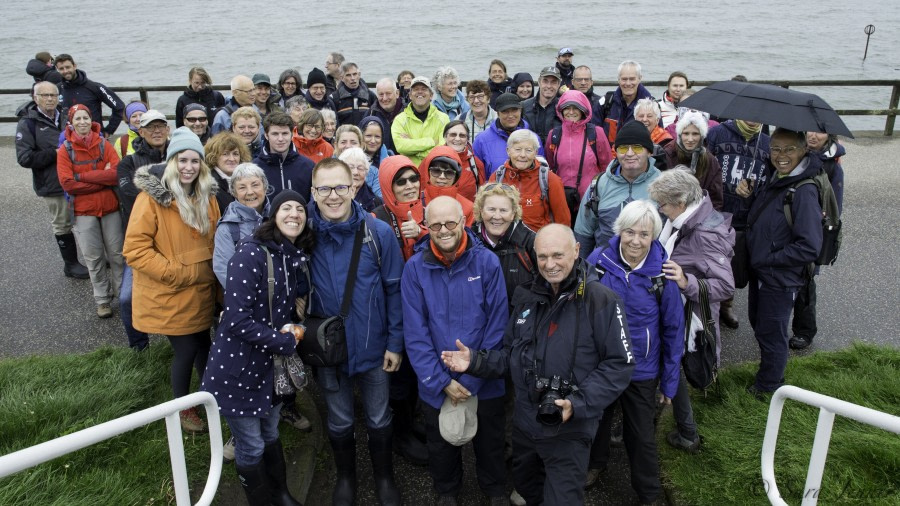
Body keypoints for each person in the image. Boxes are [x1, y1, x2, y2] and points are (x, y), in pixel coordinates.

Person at [441, 224, 634, 505]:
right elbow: (510, 356)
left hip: (570, 429)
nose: (550, 264)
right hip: (526, 424)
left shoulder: (602, 300)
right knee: (527, 489)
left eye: (558, 255)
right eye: (542, 257)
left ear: (577, 251)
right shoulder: (525, 296)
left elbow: (620, 364)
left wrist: (578, 403)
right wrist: (475, 361)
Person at [201, 189, 311, 506]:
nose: (294, 214)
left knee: (271, 434)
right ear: (273, 215)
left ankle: (281, 495)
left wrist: (295, 326)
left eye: (300, 209)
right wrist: (286, 341)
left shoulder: (289, 254)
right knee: (251, 446)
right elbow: (235, 319)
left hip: (270, 367)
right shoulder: (250, 253)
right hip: (239, 368)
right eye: (286, 208)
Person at [308, 158, 404, 506]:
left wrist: (395, 342)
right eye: (324, 188)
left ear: (353, 188)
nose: (333, 196)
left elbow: (395, 289)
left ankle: (384, 478)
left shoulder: (377, 233)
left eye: (340, 187)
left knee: (379, 415)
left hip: (374, 346)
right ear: (313, 191)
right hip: (328, 350)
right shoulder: (302, 233)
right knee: (339, 418)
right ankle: (346, 478)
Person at [401, 196, 508, 505]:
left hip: (484, 376)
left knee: (490, 443)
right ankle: (447, 491)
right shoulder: (415, 269)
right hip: (437, 381)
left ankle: (494, 490)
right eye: (435, 224)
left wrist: (472, 376)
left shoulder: (487, 262)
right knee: (441, 447)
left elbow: (497, 325)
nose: (444, 230)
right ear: (427, 226)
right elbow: (415, 333)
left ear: (464, 222)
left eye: (451, 223)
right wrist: (442, 382)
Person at [584, 200, 684, 504]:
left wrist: (669, 382)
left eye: (644, 234)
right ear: (619, 231)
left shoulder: (662, 273)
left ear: (653, 235)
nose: (636, 241)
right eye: (630, 232)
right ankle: (594, 465)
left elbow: (673, 330)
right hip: (603, 366)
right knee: (596, 422)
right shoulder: (598, 260)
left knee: (640, 436)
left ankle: (649, 493)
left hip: (642, 369)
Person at [123, 127, 220, 433]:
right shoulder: (151, 200)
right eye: (182, 160)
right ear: (171, 162)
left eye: (194, 161)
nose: (188, 167)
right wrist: (176, 273)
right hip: (170, 292)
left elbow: (215, 241)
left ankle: (210, 398)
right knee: (187, 350)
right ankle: (182, 407)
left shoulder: (208, 197)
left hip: (202, 290)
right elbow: (135, 250)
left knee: (205, 345)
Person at [649, 169, 735, 453]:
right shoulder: (689, 220)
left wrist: (687, 282)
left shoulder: (704, 235)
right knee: (672, 365)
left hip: (690, 317)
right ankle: (685, 431)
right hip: (679, 311)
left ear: (681, 202)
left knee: (675, 365)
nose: (660, 210)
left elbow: (725, 286)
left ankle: (686, 432)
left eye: (663, 204)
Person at [740, 129, 822, 399]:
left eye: (789, 149)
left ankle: (769, 386)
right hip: (762, 271)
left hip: (778, 278)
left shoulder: (804, 190)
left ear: (803, 151)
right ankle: (769, 376)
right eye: (775, 149)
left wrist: (771, 260)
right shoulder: (778, 177)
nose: (781, 155)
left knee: (772, 333)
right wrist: (750, 195)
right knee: (760, 324)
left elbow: (809, 246)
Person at [56, 104, 124, 319]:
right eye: (78, 119)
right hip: (84, 212)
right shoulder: (65, 150)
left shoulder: (104, 144)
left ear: (91, 120)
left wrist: (82, 177)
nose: (83, 122)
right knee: (93, 258)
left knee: (117, 254)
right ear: (71, 122)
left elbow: (115, 174)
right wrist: (99, 177)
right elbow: (67, 184)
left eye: (86, 117)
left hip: (110, 208)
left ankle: (123, 295)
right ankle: (102, 300)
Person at [16, 81, 89, 279]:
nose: (50, 99)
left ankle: (93, 258)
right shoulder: (28, 123)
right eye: (45, 95)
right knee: (63, 223)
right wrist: (56, 153)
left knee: (85, 218)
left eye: (53, 95)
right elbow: (24, 158)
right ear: (35, 97)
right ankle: (71, 265)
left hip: (77, 179)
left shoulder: (66, 116)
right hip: (52, 184)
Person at [706, 118, 770, 329]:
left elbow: (770, 182)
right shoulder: (718, 134)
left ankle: (726, 303)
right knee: (712, 260)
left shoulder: (766, 142)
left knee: (734, 264)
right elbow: (703, 167)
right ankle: (708, 304)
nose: (752, 120)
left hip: (747, 216)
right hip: (717, 210)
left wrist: (755, 191)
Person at [789, 132, 846, 350]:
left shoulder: (832, 167)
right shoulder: (795, 154)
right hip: (788, 226)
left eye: (819, 132)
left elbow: (835, 207)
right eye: (809, 131)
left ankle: (804, 331)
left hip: (813, 231)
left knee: (805, 281)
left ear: (829, 135)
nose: (813, 136)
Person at [574, 120, 662, 256]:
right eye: (623, 148)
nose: (630, 153)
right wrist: (582, 271)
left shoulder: (663, 185)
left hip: (648, 269)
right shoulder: (599, 184)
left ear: (649, 152)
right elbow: (583, 232)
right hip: (604, 268)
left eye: (637, 148)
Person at [545, 89, 613, 217]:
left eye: (575, 108)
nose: (571, 112)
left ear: (583, 110)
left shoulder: (596, 133)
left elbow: (607, 168)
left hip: (590, 201)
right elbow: (550, 166)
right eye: (567, 108)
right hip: (562, 199)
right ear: (561, 110)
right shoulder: (554, 135)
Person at [487, 129, 570, 230]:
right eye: (517, 149)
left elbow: (563, 221)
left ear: (535, 152)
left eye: (528, 150)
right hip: (504, 241)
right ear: (508, 151)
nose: (522, 155)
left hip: (538, 242)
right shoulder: (497, 177)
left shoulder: (550, 180)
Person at [471, 183, 536, 308]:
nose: (497, 216)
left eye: (503, 210)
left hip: (520, 321)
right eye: (491, 209)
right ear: (481, 211)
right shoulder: (468, 242)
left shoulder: (530, 242)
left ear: (513, 214)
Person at [662, 110, 724, 210]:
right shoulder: (668, 154)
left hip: (700, 216)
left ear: (702, 136)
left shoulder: (709, 160)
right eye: (686, 133)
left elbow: (715, 199)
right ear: (679, 134)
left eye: (695, 134)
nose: (690, 139)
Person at [55, 54, 124, 138]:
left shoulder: (94, 87)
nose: (65, 71)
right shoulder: (56, 89)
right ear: (57, 69)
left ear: (74, 66)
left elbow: (119, 107)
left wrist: (109, 130)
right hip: (68, 139)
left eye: (68, 67)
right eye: (61, 69)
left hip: (94, 138)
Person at [473, 93, 542, 177]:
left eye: (514, 110)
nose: (510, 115)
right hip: (495, 189)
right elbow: (476, 176)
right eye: (505, 111)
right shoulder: (481, 140)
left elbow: (540, 170)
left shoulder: (534, 139)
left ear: (520, 111)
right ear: (497, 113)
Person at [374, 155, 428, 261]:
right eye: (401, 182)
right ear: (388, 187)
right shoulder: (375, 218)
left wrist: (420, 233)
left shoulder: (431, 211)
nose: (410, 186)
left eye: (414, 179)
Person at [253, 111, 314, 201]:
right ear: (266, 135)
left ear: (292, 134)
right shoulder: (254, 168)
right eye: (275, 134)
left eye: (285, 133)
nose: (280, 139)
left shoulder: (308, 167)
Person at [391, 76, 450, 166]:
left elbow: (442, 150)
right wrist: (432, 142)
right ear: (410, 95)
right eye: (416, 89)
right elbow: (401, 147)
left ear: (431, 95)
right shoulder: (399, 120)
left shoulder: (444, 119)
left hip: (435, 170)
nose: (420, 92)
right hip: (410, 172)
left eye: (424, 89)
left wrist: (413, 148)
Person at [599, 60, 654, 144]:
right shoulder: (605, 102)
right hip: (608, 155)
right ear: (618, 80)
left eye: (632, 79)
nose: (628, 83)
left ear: (640, 79)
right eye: (624, 79)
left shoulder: (652, 106)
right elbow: (594, 135)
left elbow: (657, 137)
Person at [419, 146, 475, 226]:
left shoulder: (468, 208)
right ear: (428, 173)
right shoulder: (416, 203)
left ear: (456, 177)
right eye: (436, 171)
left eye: (449, 173)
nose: (442, 176)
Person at [205, 131, 252, 215]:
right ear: (214, 157)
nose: (232, 159)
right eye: (225, 154)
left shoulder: (247, 179)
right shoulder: (209, 185)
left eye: (235, 154)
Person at [522, 66, 562, 151]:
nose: (549, 86)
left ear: (559, 84)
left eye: (553, 82)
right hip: (529, 157)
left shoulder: (564, 108)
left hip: (555, 156)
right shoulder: (523, 107)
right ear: (539, 82)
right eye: (545, 81)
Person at [442, 120, 485, 201]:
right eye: (453, 135)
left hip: (467, 212)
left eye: (462, 135)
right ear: (445, 137)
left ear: (467, 139)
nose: (457, 139)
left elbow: (481, 195)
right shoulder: (432, 160)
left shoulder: (476, 164)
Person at [330, 62, 376, 127]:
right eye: (348, 75)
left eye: (355, 74)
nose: (352, 78)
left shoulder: (370, 96)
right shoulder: (334, 98)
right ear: (342, 78)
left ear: (359, 75)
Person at [339, 147, 383, 212]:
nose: (356, 172)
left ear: (366, 172)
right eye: (350, 167)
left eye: (360, 168)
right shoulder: (332, 197)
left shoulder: (376, 202)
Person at [371, 78, 404, 152]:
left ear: (397, 93)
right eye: (381, 94)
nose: (385, 98)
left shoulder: (408, 112)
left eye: (388, 94)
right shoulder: (371, 114)